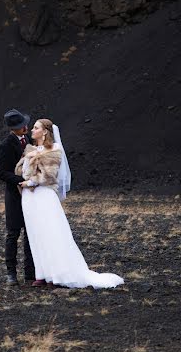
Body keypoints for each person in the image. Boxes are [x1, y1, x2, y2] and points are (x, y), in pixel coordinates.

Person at [15, 118, 124, 289]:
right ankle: (42, 274)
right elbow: (23, 172)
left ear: (45, 131)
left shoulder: (54, 150)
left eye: (36, 128)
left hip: (43, 195)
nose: (32, 131)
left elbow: (49, 176)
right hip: (30, 198)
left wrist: (30, 182)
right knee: (36, 235)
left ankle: (58, 273)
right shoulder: (31, 150)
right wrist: (28, 165)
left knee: (51, 232)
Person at [0, 109, 36, 285]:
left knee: (30, 234)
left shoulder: (28, 140)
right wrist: (23, 181)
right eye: (21, 126)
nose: (25, 127)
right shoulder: (5, 145)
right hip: (14, 196)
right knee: (13, 234)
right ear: (14, 128)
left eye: (24, 124)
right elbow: (2, 173)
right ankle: (11, 274)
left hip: (29, 195)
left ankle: (30, 273)